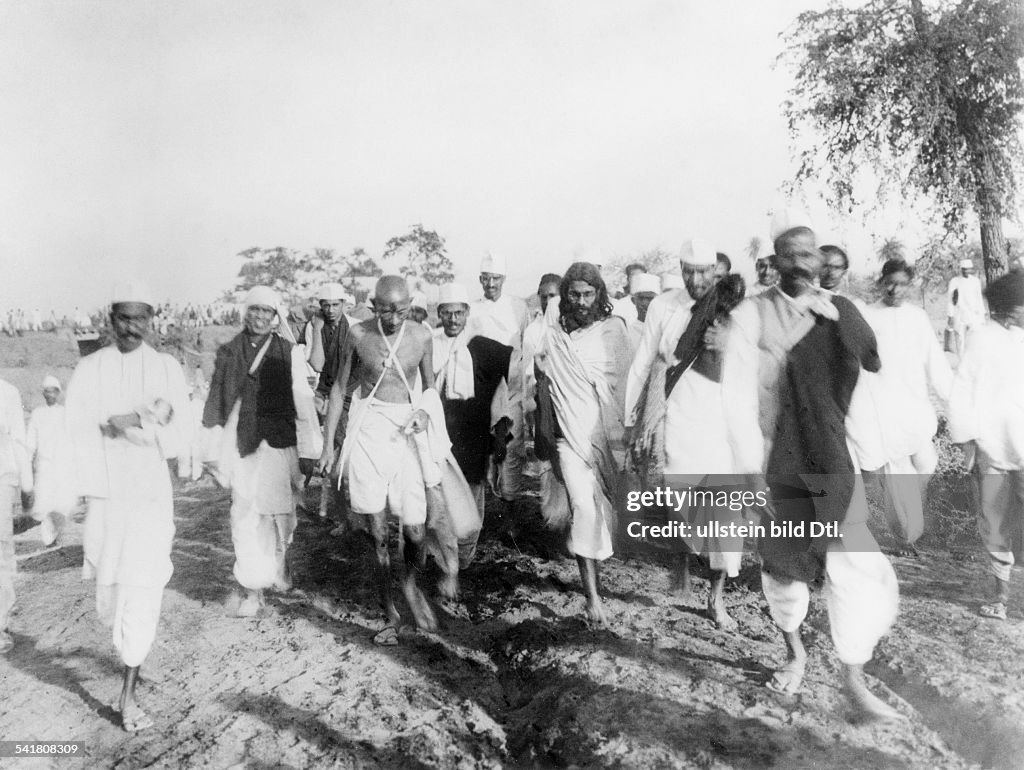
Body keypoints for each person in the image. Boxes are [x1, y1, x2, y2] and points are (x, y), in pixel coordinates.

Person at [722, 223, 903, 721]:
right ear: (775, 262)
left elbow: (861, 394)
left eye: (808, 254)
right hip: (774, 456)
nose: (801, 263)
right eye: (790, 255)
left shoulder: (841, 313)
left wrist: (872, 459)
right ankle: (795, 655)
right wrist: (748, 472)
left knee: (854, 564)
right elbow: (735, 398)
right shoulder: (750, 316)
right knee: (788, 569)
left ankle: (853, 680)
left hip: (830, 457)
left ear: (820, 260)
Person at [65, 281, 192, 731]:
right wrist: (105, 425)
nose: (132, 327)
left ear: (150, 321)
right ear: (110, 319)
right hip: (106, 497)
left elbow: (178, 434)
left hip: (149, 494)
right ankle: (128, 653)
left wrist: (140, 421)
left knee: (141, 585)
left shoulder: (165, 367)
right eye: (124, 318)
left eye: (140, 318)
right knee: (109, 595)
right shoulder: (91, 368)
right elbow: (72, 426)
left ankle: (128, 695)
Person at [625, 239, 746, 627]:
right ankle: (681, 564)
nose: (695, 279)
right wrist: (632, 420)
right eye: (687, 271)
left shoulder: (734, 309)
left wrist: (729, 343)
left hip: (720, 422)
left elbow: (755, 361)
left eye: (703, 272)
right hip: (676, 418)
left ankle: (716, 598)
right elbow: (644, 363)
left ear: (716, 271)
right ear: (680, 270)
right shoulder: (663, 305)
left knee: (724, 519)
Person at [318, 276, 441, 632]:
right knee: (376, 532)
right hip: (369, 428)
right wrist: (328, 446)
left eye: (401, 310)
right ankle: (388, 604)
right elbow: (341, 387)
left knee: (415, 531)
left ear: (411, 305)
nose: (393, 317)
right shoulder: (358, 335)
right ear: (373, 306)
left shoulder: (421, 335)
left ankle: (411, 585)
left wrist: (424, 413)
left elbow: (431, 388)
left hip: (406, 429)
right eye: (386, 310)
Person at [203, 286, 322, 618]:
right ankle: (253, 588)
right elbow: (215, 403)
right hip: (243, 444)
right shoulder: (228, 352)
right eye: (254, 311)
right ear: (246, 313)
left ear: (275, 317)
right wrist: (211, 452)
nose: (259, 317)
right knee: (244, 515)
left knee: (281, 517)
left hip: (279, 441)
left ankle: (278, 562)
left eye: (266, 312)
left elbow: (302, 401)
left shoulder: (288, 352)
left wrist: (310, 448)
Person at [538, 262, 631, 624]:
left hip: (605, 437)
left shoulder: (613, 332)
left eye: (587, 294)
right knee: (583, 507)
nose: (580, 301)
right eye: (573, 294)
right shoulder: (553, 334)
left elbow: (625, 386)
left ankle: (594, 574)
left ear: (599, 294)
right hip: (569, 438)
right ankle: (592, 597)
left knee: (603, 512)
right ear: (565, 296)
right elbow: (539, 374)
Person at [857, 260, 952, 555]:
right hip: (882, 408)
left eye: (901, 283)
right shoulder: (868, 315)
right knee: (898, 477)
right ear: (880, 280)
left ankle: (910, 525)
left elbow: (935, 363)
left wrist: (953, 402)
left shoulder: (918, 317)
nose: (894, 289)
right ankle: (905, 536)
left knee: (926, 464)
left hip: (915, 407)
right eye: (889, 282)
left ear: (910, 285)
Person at [948, 270, 1024, 621]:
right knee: (993, 521)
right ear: (1012, 308)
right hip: (993, 448)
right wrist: (966, 442)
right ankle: (1000, 595)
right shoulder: (980, 338)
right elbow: (961, 391)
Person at [432, 284, 513, 516]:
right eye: (447, 313)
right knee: (439, 488)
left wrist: (499, 433)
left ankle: (467, 549)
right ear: (439, 314)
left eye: (458, 313)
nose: (453, 319)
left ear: (467, 313)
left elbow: (501, 390)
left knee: (471, 489)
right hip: (440, 426)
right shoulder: (431, 343)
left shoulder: (482, 346)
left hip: (472, 430)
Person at [471, 253, 530, 502]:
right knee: (482, 449)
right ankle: (482, 510)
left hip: (513, 388)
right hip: (482, 389)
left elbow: (525, 345)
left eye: (496, 278)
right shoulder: (473, 308)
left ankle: (510, 512)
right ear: (480, 280)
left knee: (512, 448)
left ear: (503, 279)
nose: (491, 284)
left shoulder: (518, 307)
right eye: (486, 278)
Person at [307, 282, 353, 522]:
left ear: (344, 305)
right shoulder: (316, 327)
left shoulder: (354, 328)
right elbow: (316, 364)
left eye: (336, 305)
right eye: (326, 305)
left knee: (349, 461)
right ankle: (340, 516)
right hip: (327, 395)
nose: (331, 310)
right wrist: (316, 329)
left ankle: (354, 516)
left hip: (350, 397)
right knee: (331, 461)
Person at [0, 377, 31, 655]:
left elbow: (19, 441)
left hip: (0, 479)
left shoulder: (8, 392)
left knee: (0, 549)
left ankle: (0, 623)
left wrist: (27, 485)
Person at [26, 375, 77, 546]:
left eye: (54, 391)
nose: (50, 395)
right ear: (43, 394)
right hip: (45, 465)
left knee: (63, 501)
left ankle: (58, 536)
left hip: (63, 464)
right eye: (47, 391)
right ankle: (48, 540)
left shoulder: (65, 413)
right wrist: (27, 461)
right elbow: (30, 441)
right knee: (45, 501)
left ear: (58, 393)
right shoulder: (37, 414)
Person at [946, 257, 986, 356]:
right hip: (959, 313)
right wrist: (950, 315)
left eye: (968, 269)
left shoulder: (975, 281)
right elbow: (951, 300)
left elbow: (979, 298)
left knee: (973, 338)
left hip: (973, 314)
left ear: (971, 269)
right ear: (961, 269)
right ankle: (961, 362)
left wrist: (982, 313)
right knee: (960, 339)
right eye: (964, 269)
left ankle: (971, 361)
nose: (966, 271)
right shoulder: (955, 281)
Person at [625, 273, 660, 353]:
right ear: (633, 301)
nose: (644, 303)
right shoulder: (627, 334)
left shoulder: (667, 330)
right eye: (641, 298)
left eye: (650, 298)